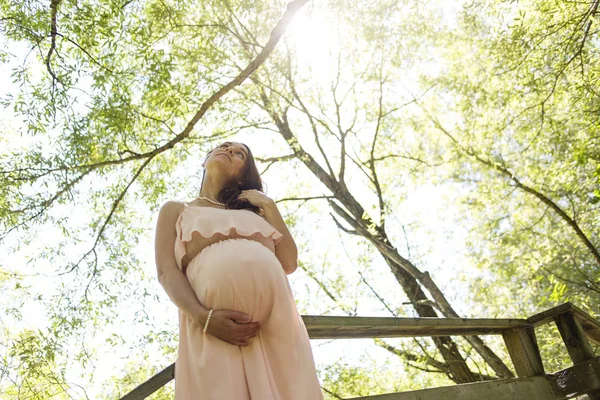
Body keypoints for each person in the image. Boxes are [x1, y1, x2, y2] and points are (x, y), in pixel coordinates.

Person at [154, 141, 324, 399]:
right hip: (213, 327)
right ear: (205, 161)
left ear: (245, 174)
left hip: (275, 328)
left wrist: (268, 204)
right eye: (223, 147)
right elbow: (167, 271)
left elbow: (288, 262)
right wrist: (203, 318)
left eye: (239, 153)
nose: (229, 151)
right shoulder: (176, 210)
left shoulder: (258, 214)